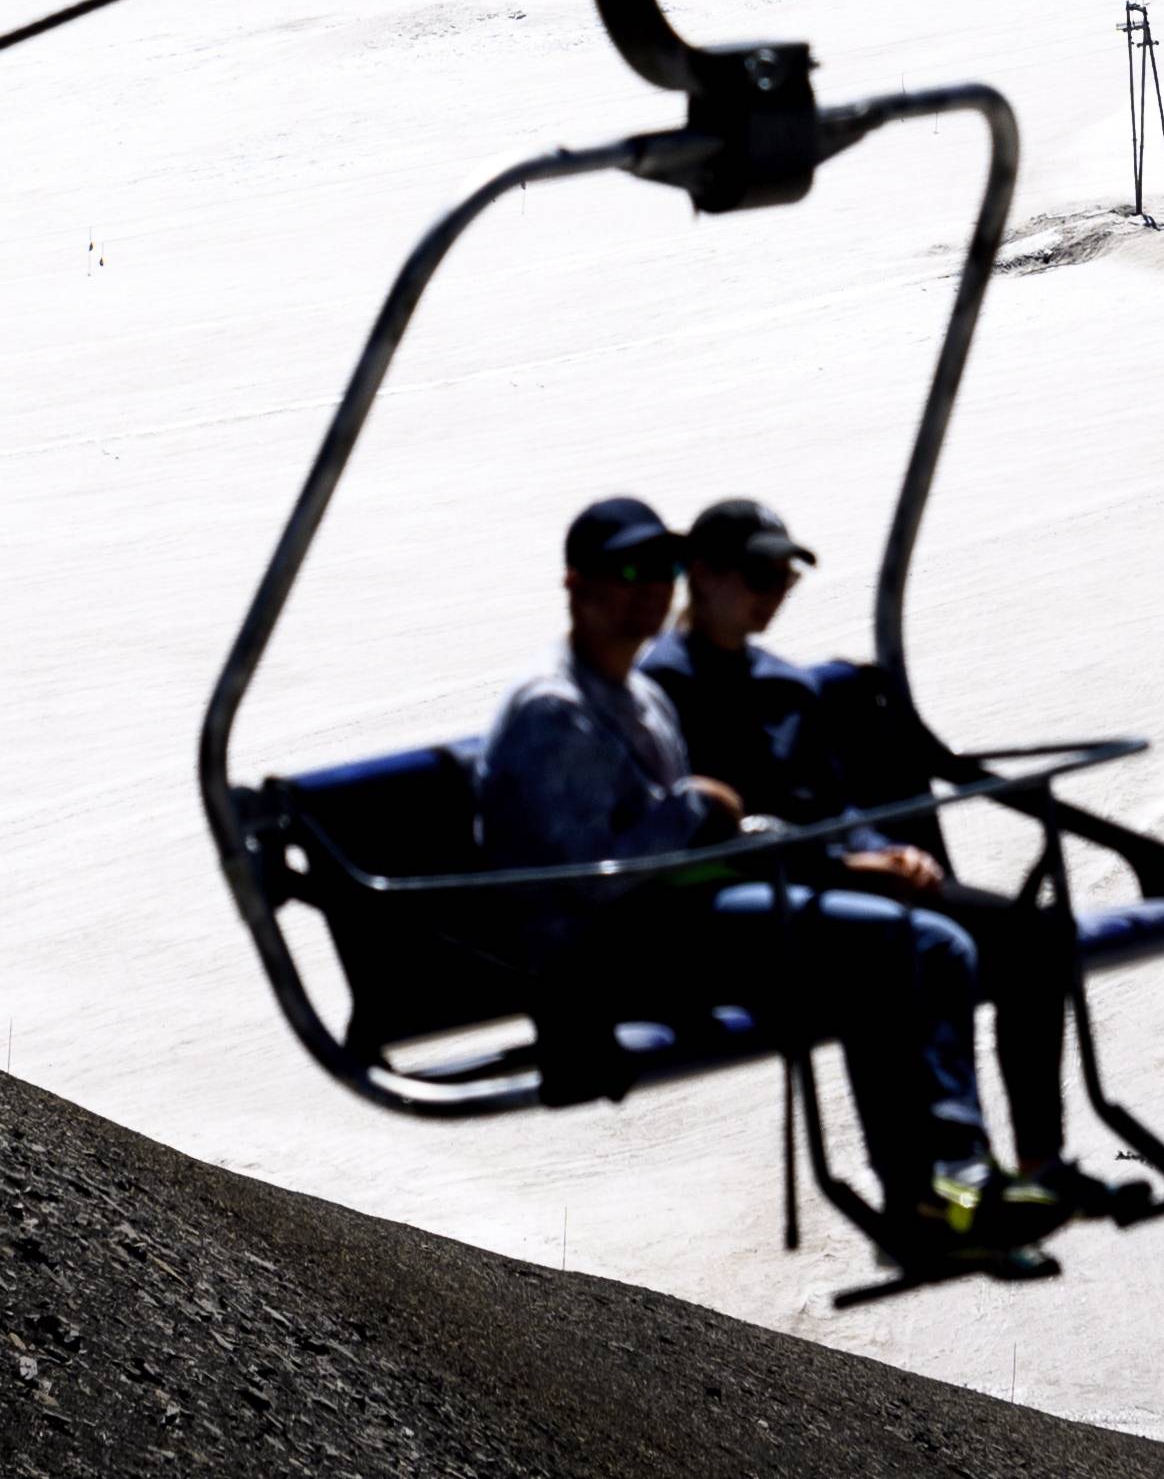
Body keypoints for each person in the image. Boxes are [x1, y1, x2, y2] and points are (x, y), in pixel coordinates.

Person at [475, 495, 1059, 1274]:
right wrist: (706, 814)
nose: (650, 587)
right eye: (629, 571)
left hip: (677, 916)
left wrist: (755, 834)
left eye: (662, 568)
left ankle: (945, 1196)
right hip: (615, 960)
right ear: (578, 585)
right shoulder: (559, 709)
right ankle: (953, 1183)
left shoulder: (634, 697)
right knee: (917, 947)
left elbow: (700, 836)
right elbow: (587, 880)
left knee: (892, 952)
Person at [645, 496, 1118, 1218]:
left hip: (838, 876)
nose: (774, 594)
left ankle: (1035, 1163)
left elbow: (829, 808)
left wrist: (883, 850)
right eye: (759, 576)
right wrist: (847, 865)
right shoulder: (662, 695)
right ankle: (947, 1180)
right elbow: (695, 833)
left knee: (1034, 934)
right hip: (755, 902)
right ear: (701, 575)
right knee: (922, 951)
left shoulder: (780, 682)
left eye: (783, 580)